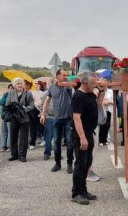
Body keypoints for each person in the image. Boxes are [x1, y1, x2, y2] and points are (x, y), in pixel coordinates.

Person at [71, 71, 106, 205]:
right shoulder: (78, 96)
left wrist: (102, 91)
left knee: (87, 163)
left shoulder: (90, 93)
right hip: (81, 134)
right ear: (84, 83)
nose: (95, 86)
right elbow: (76, 117)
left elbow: (99, 103)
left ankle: (83, 190)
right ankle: (76, 193)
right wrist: (82, 138)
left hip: (89, 132)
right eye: (93, 83)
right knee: (80, 164)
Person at [40, 69, 74, 173]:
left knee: (69, 142)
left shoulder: (68, 87)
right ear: (57, 76)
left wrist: (67, 82)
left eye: (67, 75)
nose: (66, 77)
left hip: (68, 119)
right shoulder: (51, 88)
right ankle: (57, 163)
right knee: (57, 142)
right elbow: (47, 101)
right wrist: (43, 114)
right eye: (63, 75)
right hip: (56, 119)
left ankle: (69, 164)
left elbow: (69, 84)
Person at [5, 77, 35, 162]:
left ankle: (22, 155)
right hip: (13, 117)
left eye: (21, 83)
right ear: (14, 85)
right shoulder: (11, 93)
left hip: (24, 118)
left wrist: (23, 109)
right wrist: (13, 109)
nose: (20, 85)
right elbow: (7, 104)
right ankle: (14, 155)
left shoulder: (28, 93)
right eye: (18, 84)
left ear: (23, 85)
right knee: (13, 136)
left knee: (23, 138)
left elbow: (32, 105)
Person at [41, 79, 56, 160]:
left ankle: (57, 154)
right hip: (49, 117)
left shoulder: (61, 92)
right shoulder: (46, 93)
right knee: (48, 136)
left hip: (59, 117)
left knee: (57, 137)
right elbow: (42, 104)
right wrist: (44, 115)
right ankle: (47, 153)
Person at [25, 80, 42, 150]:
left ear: (28, 85)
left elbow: (35, 102)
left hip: (32, 112)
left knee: (32, 128)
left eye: (24, 84)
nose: (23, 85)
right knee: (25, 128)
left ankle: (32, 142)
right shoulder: (22, 93)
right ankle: (26, 143)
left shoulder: (32, 92)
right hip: (25, 112)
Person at [0, 84, 14, 152]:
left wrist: (8, 102)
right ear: (8, 89)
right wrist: (7, 99)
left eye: (12, 88)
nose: (11, 89)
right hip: (3, 116)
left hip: (10, 116)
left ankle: (9, 146)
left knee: (9, 131)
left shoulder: (14, 96)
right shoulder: (5, 95)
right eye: (10, 88)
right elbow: (1, 102)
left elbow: (11, 104)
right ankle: (3, 146)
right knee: (3, 131)